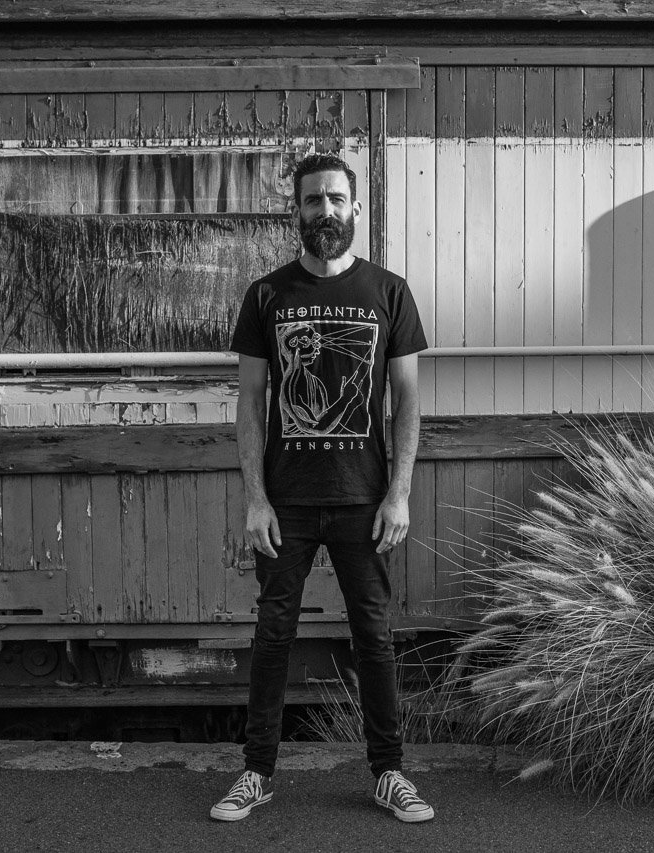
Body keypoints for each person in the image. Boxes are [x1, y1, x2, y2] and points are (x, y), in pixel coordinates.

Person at [210, 152, 433, 824]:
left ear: (356, 208)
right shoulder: (267, 296)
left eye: (337, 199)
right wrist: (254, 497)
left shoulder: (389, 293)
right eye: (314, 201)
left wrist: (399, 491)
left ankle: (388, 772)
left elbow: (408, 400)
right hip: (287, 500)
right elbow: (250, 403)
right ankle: (255, 772)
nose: (326, 211)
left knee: (374, 634)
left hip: (364, 498)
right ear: (297, 210)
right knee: (273, 632)